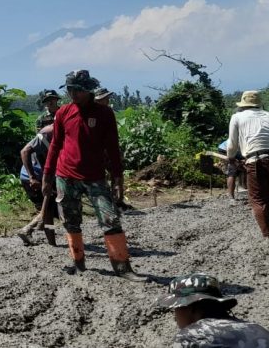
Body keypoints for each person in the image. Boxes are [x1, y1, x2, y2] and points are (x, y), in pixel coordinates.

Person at [42, 70, 146, 281]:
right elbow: (55, 146)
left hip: (94, 176)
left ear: (88, 90)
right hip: (65, 176)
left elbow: (112, 148)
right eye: (70, 90)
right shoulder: (63, 113)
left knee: (110, 219)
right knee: (70, 220)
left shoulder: (104, 114)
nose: (73, 94)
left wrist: (118, 177)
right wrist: (47, 175)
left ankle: (122, 267)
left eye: (77, 90)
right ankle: (78, 263)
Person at [156, 272, 269, 347]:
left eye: (175, 308)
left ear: (189, 307)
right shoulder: (257, 329)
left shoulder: (192, 337)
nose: (175, 316)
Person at [227, 90, 269, 238]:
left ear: (243, 105)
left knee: (257, 199)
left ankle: (267, 235)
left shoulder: (237, 117)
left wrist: (231, 158)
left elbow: (232, 144)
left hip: (255, 161)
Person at [17, 125, 59, 246]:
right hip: (33, 179)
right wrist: (32, 178)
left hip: (46, 178)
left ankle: (50, 241)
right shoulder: (47, 134)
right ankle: (29, 229)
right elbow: (24, 151)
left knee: (48, 211)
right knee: (48, 212)